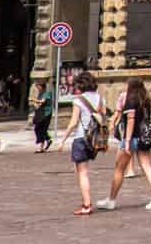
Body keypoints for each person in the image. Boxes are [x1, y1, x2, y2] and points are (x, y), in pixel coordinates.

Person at [97, 78, 151, 212]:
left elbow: (130, 120)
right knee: (146, 165)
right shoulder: (145, 100)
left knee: (119, 169)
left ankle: (111, 200)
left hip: (132, 138)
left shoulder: (131, 100)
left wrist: (127, 141)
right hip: (143, 137)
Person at [58, 70, 106, 216]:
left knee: (82, 174)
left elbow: (73, 123)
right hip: (94, 140)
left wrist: (62, 140)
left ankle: (87, 204)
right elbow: (103, 120)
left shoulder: (78, 100)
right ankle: (86, 202)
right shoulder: (101, 99)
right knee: (83, 171)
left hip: (81, 139)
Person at [31, 79, 55, 152]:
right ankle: (47, 140)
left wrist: (34, 100)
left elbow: (43, 101)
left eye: (38, 86)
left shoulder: (47, 93)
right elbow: (39, 105)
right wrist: (35, 104)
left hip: (46, 114)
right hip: (41, 113)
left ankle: (42, 146)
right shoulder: (40, 94)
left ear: (41, 87)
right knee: (38, 128)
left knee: (42, 129)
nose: (37, 88)